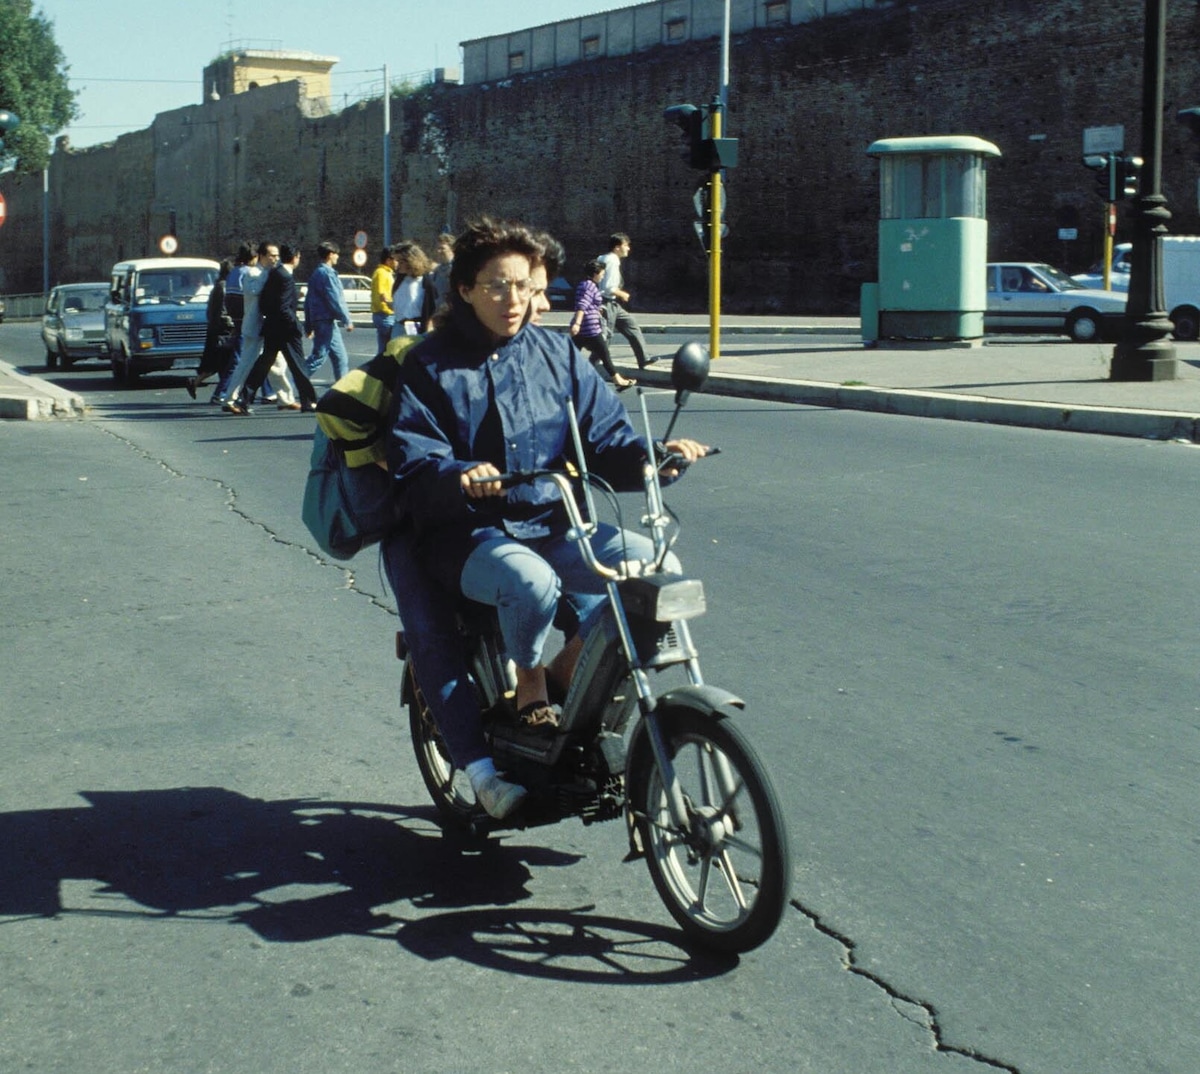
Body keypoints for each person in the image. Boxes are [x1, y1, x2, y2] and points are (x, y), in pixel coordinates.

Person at [386, 217, 705, 818]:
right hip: (465, 535)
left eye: (527, 288)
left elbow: (607, 438)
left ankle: (568, 676)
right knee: (531, 582)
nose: (515, 301)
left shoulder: (558, 353)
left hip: (552, 524)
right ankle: (529, 681)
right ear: (464, 290)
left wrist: (653, 459)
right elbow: (411, 457)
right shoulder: (429, 365)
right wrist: (457, 474)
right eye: (497, 286)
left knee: (656, 565)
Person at [243, 242, 318, 412]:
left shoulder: (275, 274)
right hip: (286, 330)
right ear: (295, 257)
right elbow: (283, 307)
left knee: (263, 366)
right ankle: (309, 401)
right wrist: (297, 325)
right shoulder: (284, 276)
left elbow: (266, 302)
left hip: (273, 327)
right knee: (299, 366)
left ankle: (244, 399)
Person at [569, 258, 635, 390]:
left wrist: (596, 309)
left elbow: (587, 304)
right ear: (595, 273)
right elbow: (582, 305)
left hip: (586, 325)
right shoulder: (589, 286)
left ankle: (565, 380)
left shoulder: (586, 284)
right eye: (602, 274)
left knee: (573, 356)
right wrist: (577, 323)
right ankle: (617, 380)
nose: (603, 276)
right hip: (589, 327)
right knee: (604, 353)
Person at [598, 231, 656, 369]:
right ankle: (591, 367)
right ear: (617, 247)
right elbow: (608, 287)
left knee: (631, 325)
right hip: (606, 303)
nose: (628, 248)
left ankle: (643, 359)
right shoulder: (612, 261)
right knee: (605, 337)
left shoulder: (603, 258)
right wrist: (622, 294)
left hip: (612, 304)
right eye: (626, 245)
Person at [303, 240, 354, 382]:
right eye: (336, 254)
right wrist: (346, 319)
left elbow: (308, 301)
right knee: (319, 356)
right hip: (325, 321)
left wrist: (308, 324)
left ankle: (341, 392)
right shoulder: (327, 274)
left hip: (323, 321)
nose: (338, 257)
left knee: (340, 357)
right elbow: (335, 299)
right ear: (331, 255)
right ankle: (296, 383)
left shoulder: (316, 274)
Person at [185, 258, 235, 401]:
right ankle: (220, 393)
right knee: (228, 364)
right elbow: (223, 313)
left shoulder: (217, 286)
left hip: (215, 331)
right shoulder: (224, 288)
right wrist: (232, 325)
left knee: (218, 365)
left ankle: (198, 382)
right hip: (223, 333)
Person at [390, 241, 436, 336]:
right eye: (396, 261)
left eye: (400, 262)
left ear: (411, 261)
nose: (397, 266)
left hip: (416, 327)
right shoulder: (399, 280)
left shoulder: (426, 281)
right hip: (399, 325)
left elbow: (431, 308)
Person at [370, 246, 398, 353]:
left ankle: (379, 368)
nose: (397, 263)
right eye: (395, 260)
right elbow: (381, 294)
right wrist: (389, 308)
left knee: (384, 349)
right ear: (388, 260)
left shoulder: (385, 272)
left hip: (384, 315)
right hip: (385, 315)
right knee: (388, 349)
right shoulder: (382, 273)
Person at [428, 232, 456, 312]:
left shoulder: (458, 268)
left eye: (442, 248)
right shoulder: (437, 270)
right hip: (439, 314)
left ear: (452, 249)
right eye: (437, 248)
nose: (438, 251)